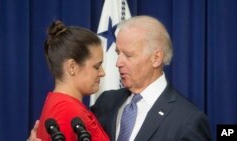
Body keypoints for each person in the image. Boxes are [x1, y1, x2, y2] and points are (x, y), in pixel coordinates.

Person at [28, 15, 211, 141]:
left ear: (156, 58)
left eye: (128, 55)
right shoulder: (107, 102)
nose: (117, 63)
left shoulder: (188, 121)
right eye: (117, 53)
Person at [35, 20, 109, 141]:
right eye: (96, 66)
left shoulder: (64, 105)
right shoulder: (67, 112)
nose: (102, 73)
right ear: (72, 67)